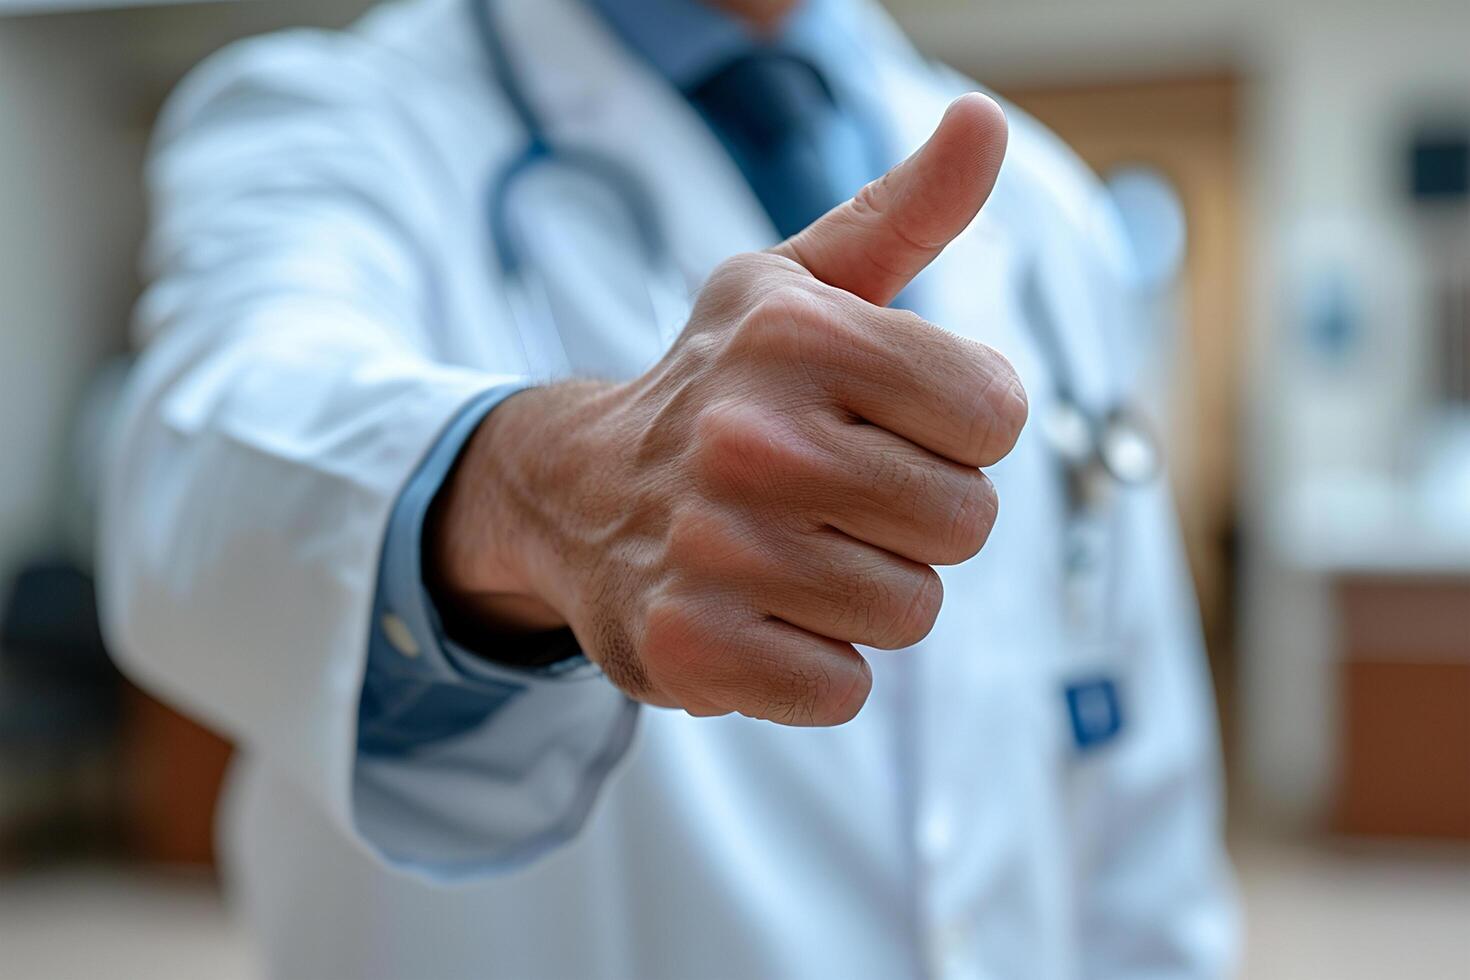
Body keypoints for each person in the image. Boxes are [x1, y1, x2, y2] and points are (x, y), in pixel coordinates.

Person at [98, 0, 1238, 976]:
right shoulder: (334, 119)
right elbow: (207, 452)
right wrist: (536, 490)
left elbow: (1140, 803)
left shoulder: (1044, 206)